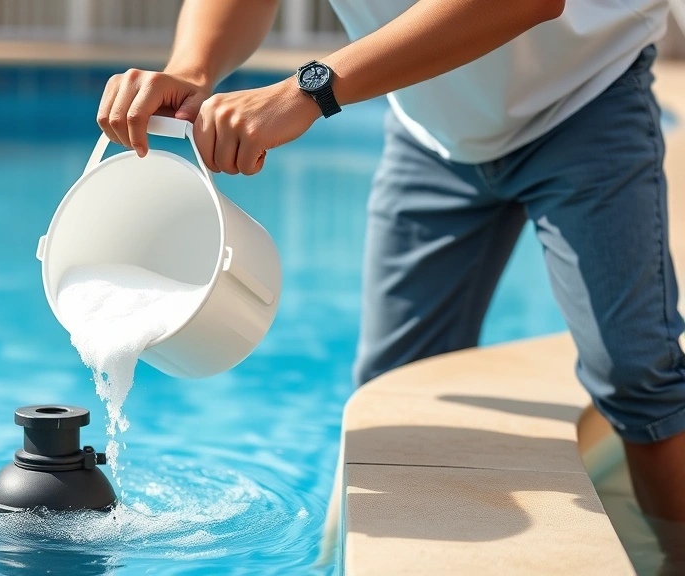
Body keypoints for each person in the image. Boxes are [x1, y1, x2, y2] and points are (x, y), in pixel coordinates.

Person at [96, 0, 685, 565]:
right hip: (434, 132)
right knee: (391, 388)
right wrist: (189, 71)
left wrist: (309, 88)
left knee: (635, 372)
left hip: (582, 98)